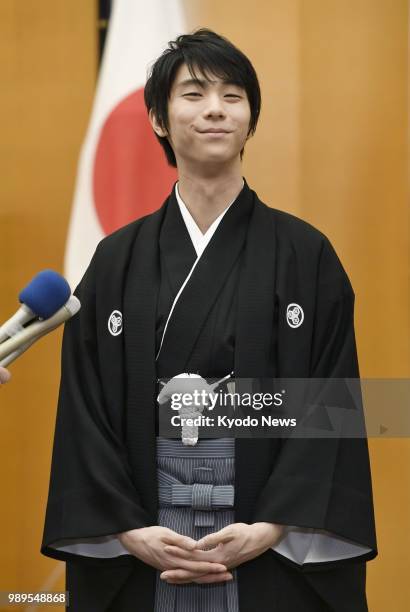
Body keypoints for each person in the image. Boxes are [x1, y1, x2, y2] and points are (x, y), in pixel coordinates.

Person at [41, 29, 377, 611]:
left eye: (233, 95)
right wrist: (127, 531)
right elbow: (83, 406)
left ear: (251, 119)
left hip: (269, 538)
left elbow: (336, 401)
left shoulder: (306, 254)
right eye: (193, 94)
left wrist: (270, 527)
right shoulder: (116, 258)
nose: (216, 109)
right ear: (158, 119)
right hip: (145, 534)